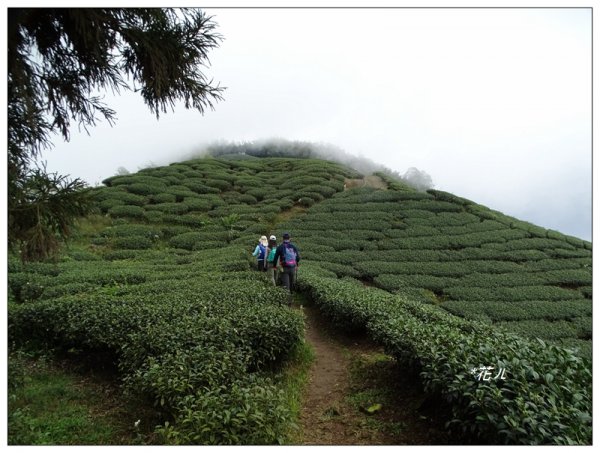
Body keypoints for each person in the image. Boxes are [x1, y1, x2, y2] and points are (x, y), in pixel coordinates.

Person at [273, 232, 300, 304]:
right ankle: (290, 301)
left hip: (284, 269)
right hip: (292, 268)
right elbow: (298, 257)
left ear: (283, 239)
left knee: (286, 286)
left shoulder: (280, 247)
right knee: (291, 284)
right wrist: (296, 265)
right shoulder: (293, 246)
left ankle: (287, 303)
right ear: (289, 238)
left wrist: (274, 266)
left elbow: (275, 258)